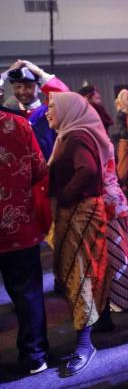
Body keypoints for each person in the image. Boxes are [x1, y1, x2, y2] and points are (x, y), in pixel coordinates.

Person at [45, 92, 115, 376]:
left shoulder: (75, 137)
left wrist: (64, 195)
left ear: (68, 110)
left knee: (79, 274)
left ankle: (84, 345)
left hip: (78, 212)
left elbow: (87, 170)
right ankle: (100, 321)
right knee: (85, 272)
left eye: (52, 107)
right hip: (79, 212)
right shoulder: (69, 134)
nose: (47, 112)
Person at [0, 109, 49, 375]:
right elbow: (39, 168)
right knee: (27, 292)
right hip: (19, 224)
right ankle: (35, 355)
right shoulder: (18, 124)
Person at [1, 60, 69, 160]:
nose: (22, 92)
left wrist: (39, 72)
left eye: (29, 86)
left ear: (39, 87)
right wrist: (6, 73)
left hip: (49, 167)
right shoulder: (7, 115)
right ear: (12, 89)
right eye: (18, 87)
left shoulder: (48, 112)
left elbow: (65, 96)